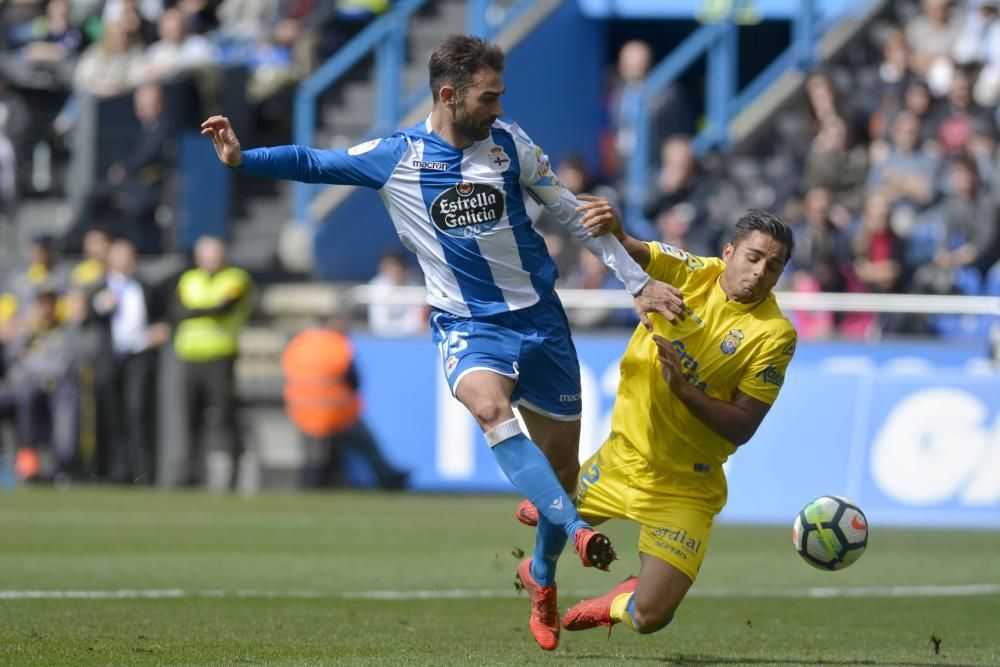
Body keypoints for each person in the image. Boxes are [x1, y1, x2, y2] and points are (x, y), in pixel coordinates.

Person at [201, 34, 686, 649]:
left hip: (540, 321)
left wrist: (637, 283)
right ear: (449, 95)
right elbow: (314, 161)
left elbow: (571, 212)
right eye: (489, 97)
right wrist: (243, 159)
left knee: (563, 468)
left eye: (501, 95)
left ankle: (540, 573)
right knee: (489, 408)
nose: (499, 108)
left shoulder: (511, 144)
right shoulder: (397, 156)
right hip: (468, 324)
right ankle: (578, 531)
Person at [515, 208, 797, 645]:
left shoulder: (775, 334)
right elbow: (630, 250)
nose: (760, 272)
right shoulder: (692, 272)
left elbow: (742, 426)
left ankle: (614, 603)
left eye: (773, 266)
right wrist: (614, 226)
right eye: (753, 258)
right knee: (539, 514)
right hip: (621, 459)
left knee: (650, 617)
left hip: (684, 486)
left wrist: (684, 390)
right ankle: (539, 578)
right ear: (728, 253)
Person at [282, 315, 409, 489]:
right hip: (335, 413)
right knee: (365, 440)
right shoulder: (337, 345)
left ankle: (313, 482)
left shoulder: (300, 343)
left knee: (314, 453)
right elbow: (354, 381)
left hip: (301, 412)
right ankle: (387, 476)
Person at [171, 236, 254, 489]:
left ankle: (233, 475)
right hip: (191, 356)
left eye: (216, 254)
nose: (212, 259)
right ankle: (192, 474)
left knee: (223, 415)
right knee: (190, 417)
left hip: (220, 356)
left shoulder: (236, 278)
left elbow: (225, 308)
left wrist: (196, 312)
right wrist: (207, 310)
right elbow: (177, 312)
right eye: (207, 254)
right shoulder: (189, 279)